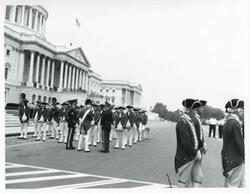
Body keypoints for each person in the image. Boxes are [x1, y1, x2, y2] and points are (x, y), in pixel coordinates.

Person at [175, 98, 207, 188]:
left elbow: (196, 137)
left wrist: (201, 145)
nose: (196, 112)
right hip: (186, 156)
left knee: (198, 178)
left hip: (193, 154)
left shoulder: (190, 120)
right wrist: (195, 152)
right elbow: (186, 142)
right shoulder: (182, 122)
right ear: (188, 110)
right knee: (184, 181)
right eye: (195, 110)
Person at [222, 99, 244, 187]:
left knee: (230, 184)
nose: (243, 111)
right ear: (237, 110)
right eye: (242, 109)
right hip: (235, 159)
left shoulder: (228, 121)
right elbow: (239, 143)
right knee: (233, 186)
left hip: (227, 157)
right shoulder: (235, 123)